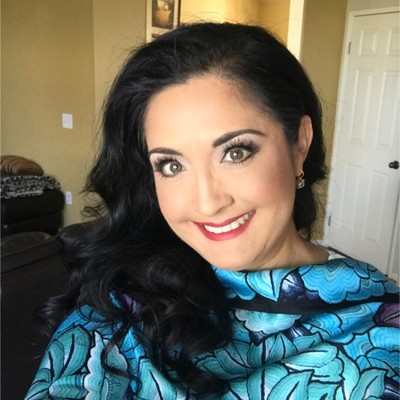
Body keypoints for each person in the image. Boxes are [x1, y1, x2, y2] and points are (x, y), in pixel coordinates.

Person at [25, 22, 399, 399]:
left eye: (235, 152)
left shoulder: (383, 327)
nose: (207, 203)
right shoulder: (122, 305)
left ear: (299, 143)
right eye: (171, 165)